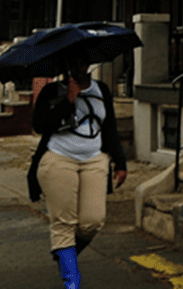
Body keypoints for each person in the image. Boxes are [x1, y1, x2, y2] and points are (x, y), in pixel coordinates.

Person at [29, 53, 128, 289]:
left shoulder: (101, 90)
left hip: (94, 160)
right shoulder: (53, 91)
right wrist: (68, 101)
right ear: (66, 65)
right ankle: (72, 281)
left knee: (93, 222)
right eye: (74, 63)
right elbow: (39, 125)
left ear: (88, 63)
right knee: (64, 223)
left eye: (83, 62)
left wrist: (121, 162)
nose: (79, 67)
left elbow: (110, 127)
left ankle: (64, 251)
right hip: (59, 160)